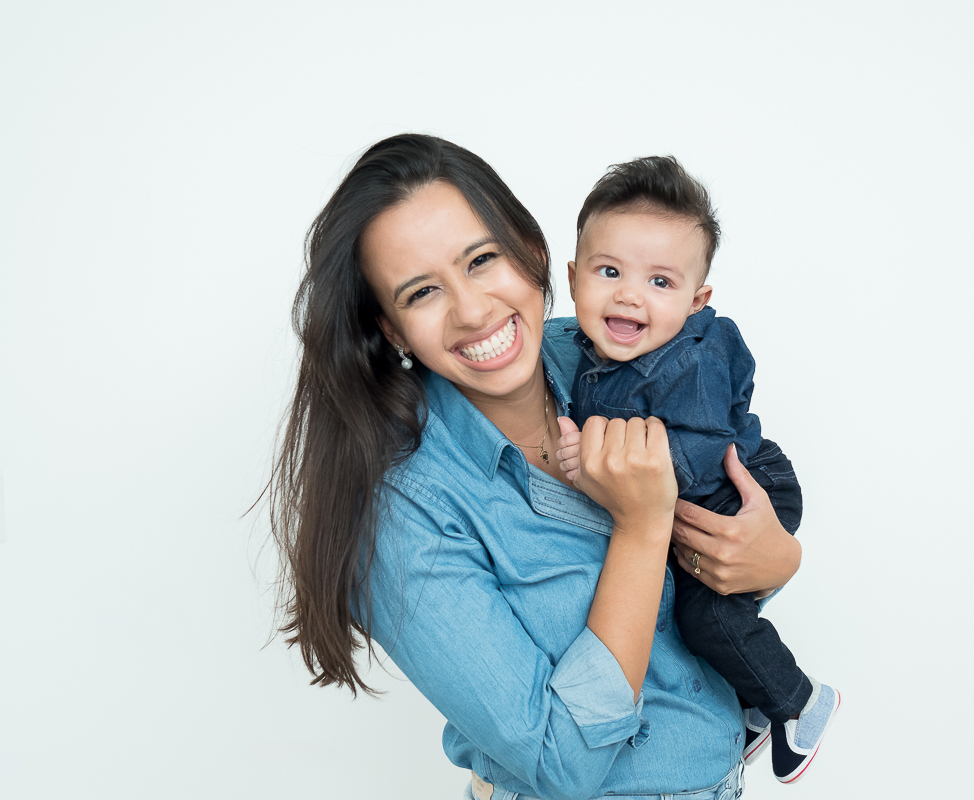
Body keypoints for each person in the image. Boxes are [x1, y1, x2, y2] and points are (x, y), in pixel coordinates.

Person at [268, 134, 803, 800]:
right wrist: (639, 528)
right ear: (393, 331)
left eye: (483, 259)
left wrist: (775, 561)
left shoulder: (613, 351)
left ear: (535, 252)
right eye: (422, 292)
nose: (473, 311)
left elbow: (733, 512)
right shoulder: (404, 514)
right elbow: (559, 762)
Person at [555, 156, 840, 783]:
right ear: (573, 279)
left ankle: (798, 701)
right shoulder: (574, 347)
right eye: (609, 272)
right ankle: (754, 709)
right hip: (692, 505)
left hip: (742, 487)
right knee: (675, 608)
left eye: (661, 282)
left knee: (707, 616)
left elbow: (704, 445)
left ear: (696, 300)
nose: (629, 294)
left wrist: (603, 469)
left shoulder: (697, 359)